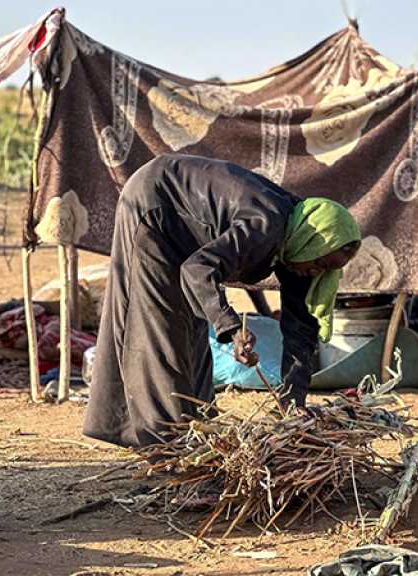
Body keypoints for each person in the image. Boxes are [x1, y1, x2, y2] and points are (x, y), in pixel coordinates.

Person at [84, 154, 361, 448]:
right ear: (312, 243)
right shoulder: (265, 225)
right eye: (319, 264)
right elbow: (198, 270)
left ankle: (199, 431)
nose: (315, 273)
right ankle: (166, 447)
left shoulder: (300, 249)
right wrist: (230, 328)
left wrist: (293, 401)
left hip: (183, 229)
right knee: (162, 329)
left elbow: (300, 330)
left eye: (325, 270)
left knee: (194, 327)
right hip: (154, 203)